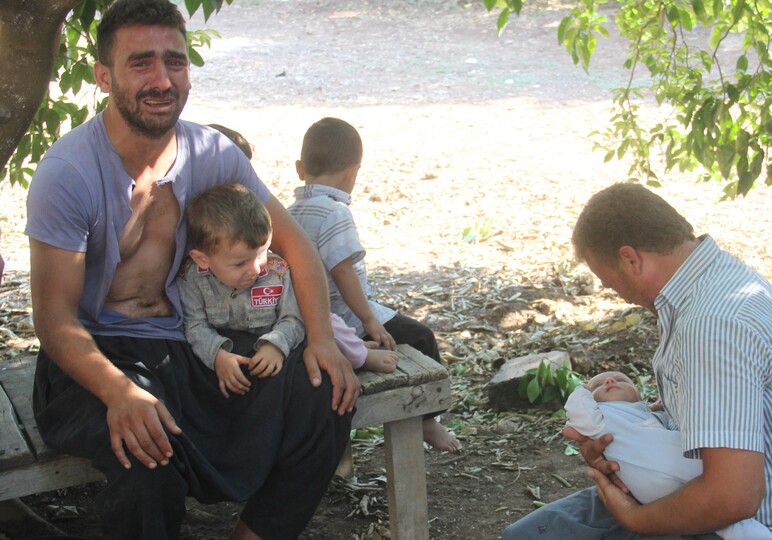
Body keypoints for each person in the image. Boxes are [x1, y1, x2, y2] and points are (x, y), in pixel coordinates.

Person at [24, 1, 359, 538]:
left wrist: (320, 338)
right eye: (141, 62)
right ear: (104, 76)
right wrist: (118, 392)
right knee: (145, 457)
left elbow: (296, 246)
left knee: (327, 390)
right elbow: (54, 319)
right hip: (94, 358)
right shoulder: (68, 172)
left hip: (186, 343)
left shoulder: (211, 152)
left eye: (174, 62)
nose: (162, 79)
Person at [502, 183, 772, 539]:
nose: (614, 292)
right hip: (707, 492)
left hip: (757, 527)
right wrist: (625, 432)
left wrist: (633, 518)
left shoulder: (712, 324)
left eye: (608, 280)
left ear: (630, 259)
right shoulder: (711, 281)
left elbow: (732, 498)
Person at [287, 117, 461, 453]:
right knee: (420, 337)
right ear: (353, 172)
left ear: (299, 168)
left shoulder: (290, 212)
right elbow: (343, 272)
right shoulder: (335, 212)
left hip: (311, 319)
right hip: (345, 318)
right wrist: (369, 320)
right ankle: (427, 420)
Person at [179, 183, 399, 397]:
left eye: (261, 254)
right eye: (240, 264)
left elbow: (294, 317)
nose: (255, 269)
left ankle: (361, 355)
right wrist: (218, 356)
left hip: (285, 337)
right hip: (235, 350)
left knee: (327, 323)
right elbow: (195, 326)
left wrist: (275, 345)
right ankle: (353, 348)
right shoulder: (191, 281)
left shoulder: (277, 272)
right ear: (202, 259)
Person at [564, 372, 772, 540]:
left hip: (665, 483)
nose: (609, 380)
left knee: (711, 505)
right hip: (653, 478)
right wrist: (581, 389)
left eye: (621, 380)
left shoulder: (652, 414)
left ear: (639, 395)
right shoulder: (601, 416)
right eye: (598, 385)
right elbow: (577, 410)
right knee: (712, 484)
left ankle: (745, 531)